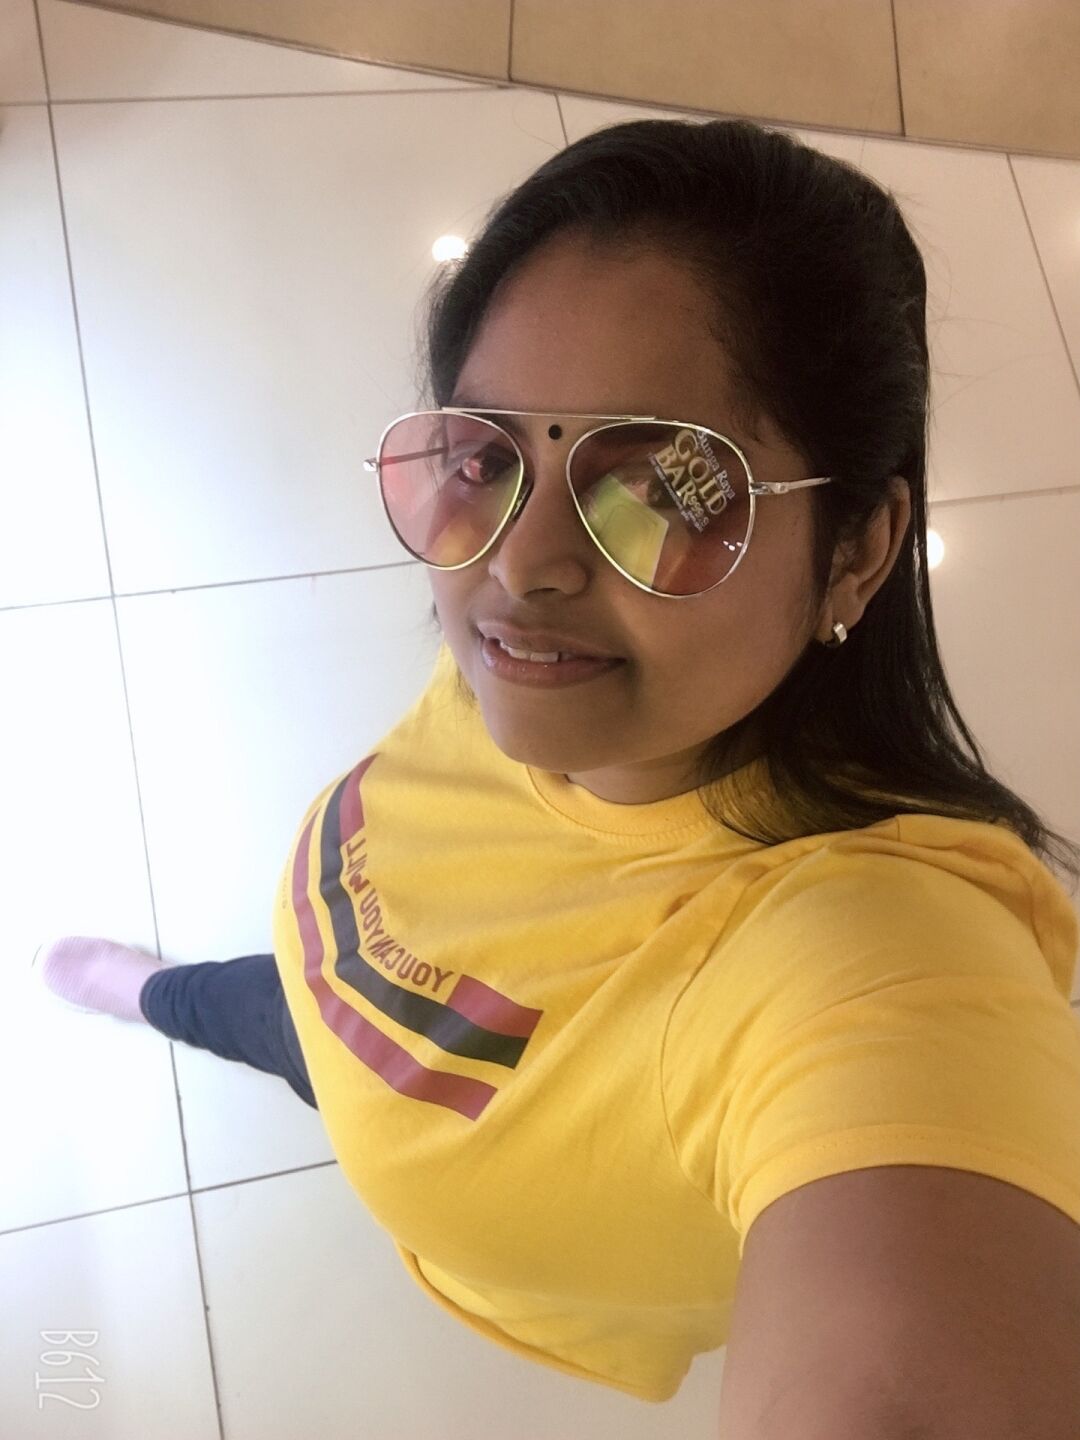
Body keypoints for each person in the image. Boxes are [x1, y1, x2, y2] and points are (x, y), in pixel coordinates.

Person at [36, 118, 1080, 1405]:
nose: (518, 563)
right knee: (265, 1015)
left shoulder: (873, 958)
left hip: (477, 1240)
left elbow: (915, 1321)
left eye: (668, 495)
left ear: (858, 549)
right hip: (334, 1002)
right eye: (487, 457)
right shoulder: (540, 667)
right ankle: (163, 995)